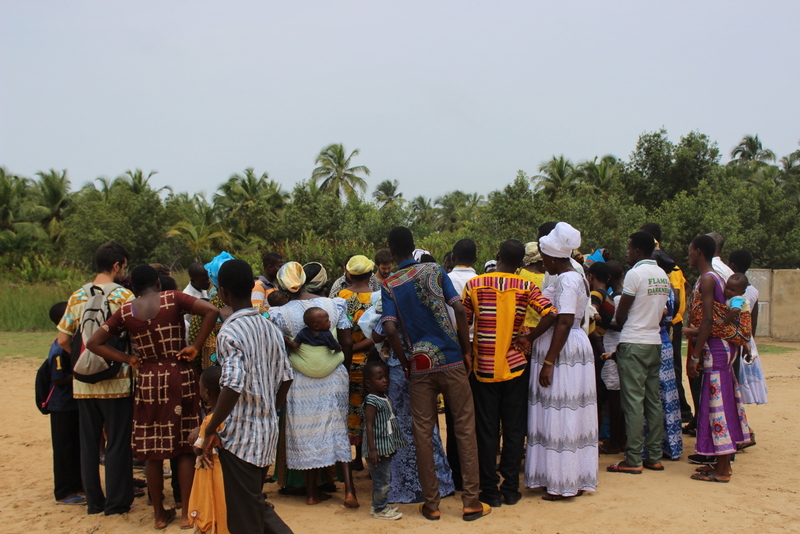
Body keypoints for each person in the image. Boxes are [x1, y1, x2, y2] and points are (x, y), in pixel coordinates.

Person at [88, 264, 220, 529]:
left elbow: (93, 343)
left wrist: (128, 359)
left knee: (153, 451)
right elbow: (212, 311)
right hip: (179, 372)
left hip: (148, 378)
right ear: (158, 284)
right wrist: (194, 346)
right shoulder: (173, 299)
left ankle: (160, 514)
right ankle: (185, 514)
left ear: (133, 289)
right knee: (183, 446)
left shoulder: (126, 311)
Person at [381, 226, 488, 522]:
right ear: (413, 246)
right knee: (465, 428)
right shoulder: (435, 269)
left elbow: (390, 328)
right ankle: (471, 502)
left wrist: (405, 361)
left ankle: (432, 504)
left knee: (423, 433)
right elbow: (461, 311)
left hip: (420, 365)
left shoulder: (390, 283)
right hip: (452, 358)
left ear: (391, 252)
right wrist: (466, 351)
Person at [199, 259, 294, 534]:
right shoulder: (270, 327)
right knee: (253, 502)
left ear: (223, 292)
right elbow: (287, 378)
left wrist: (212, 427)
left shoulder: (229, 331)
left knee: (244, 517)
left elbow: (233, 384)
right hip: (266, 433)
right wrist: (270, 409)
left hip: (240, 438)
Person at [463, 240, 555, 507]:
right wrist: (528, 339)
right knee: (515, 430)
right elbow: (550, 313)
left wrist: (467, 352)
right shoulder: (527, 286)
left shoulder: (475, 285)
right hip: (515, 365)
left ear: (498, 255)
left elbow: (465, 323)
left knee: (487, 430)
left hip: (483, 369)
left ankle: (490, 490)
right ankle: (511, 488)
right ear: (520, 263)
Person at [516, 222, 597, 500]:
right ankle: (551, 475)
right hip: (557, 345)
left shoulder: (569, 279)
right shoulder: (569, 276)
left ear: (553, 257)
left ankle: (564, 481)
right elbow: (550, 315)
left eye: (544, 259)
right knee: (553, 411)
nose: (543, 264)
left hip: (562, 351)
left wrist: (549, 361)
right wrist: (530, 338)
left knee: (561, 412)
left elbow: (563, 321)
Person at [268, 262, 359, 508]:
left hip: (300, 379)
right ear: (306, 280)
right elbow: (347, 342)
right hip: (334, 376)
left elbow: (280, 347)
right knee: (337, 429)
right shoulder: (334, 304)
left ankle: (310, 493)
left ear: (282, 286)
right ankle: (350, 491)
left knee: (305, 432)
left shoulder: (279, 312)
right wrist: (343, 368)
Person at [57, 241, 135, 516]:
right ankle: (117, 502)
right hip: (118, 380)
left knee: (89, 445)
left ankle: (94, 502)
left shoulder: (77, 296)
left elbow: (64, 339)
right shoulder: (124, 297)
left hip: (83, 382)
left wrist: (84, 362)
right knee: (117, 442)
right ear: (116, 266)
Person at [685, 235, 751, 482]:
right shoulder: (717, 277)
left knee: (718, 405)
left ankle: (723, 469)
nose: (688, 254)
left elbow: (708, 320)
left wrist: (694, 354)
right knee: (720, 402)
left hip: (717, 349)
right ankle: (720, 463)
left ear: (699, 251)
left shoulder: (707, 279)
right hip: (722, 348)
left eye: (690, 250)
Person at [607, 231, 670, 475]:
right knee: (653, 400)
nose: (626, 252)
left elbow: (621, 315)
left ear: (637, 251)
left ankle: (633, 459)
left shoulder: (635, 274)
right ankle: (653, 456)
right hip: (654, 342)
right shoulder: (662, 275)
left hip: (633, 342)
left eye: (629, 247)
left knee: (633, 402)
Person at [640, 222, 692, 422]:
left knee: (672, 368)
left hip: (669, 323)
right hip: (666, 321)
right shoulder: (666, 263)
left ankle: (682, 409)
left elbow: (677, 295)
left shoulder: (668, 266)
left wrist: (668, 319)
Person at [443, 238, 479, 490]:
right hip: (481, 350)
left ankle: (455, 474)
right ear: (475, 259)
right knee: (476, 414)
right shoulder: (482, 281)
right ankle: (476, 473)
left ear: (453, 257)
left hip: (452, 350)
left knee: (455, 415)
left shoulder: (444, 280)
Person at [336, 255, 378, 469]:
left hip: (346, 364)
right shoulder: (378, 297)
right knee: (370, 410)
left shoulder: (341, 297)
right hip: (373, 365)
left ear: (349, 274)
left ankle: (353, 460)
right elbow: (380, 335)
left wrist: (349, 348)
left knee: (350, 410)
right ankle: (372, 459)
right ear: (371, 275)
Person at [46, 301, 84, 505]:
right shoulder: (59, 349)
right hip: (61, 406)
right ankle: (63, 491)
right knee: (64, 449)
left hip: (73, 404)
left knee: (76, 446)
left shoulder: (69, 344)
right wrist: (81, 374)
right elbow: (58, 378)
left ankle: (77, 484)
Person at [362, 360, 407, 520]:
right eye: (379, 378)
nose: (385, 380)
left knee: (385, 477)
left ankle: (382, 504)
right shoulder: (372, 401)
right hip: (377, 449)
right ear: (369, 383)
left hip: (385, 446)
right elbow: (368, 426)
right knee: (381, 480)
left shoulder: (385, 398)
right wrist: (372, 449)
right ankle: (379, 509)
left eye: (386, 377)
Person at [189, 366, 229, 534]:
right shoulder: (231, 415)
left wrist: (194, 438)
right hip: (227, 474)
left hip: (210, 475)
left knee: (210, 506)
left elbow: (199, 450)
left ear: (205, 393)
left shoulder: (209, 422)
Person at [727, 249, 768, 413]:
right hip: (746, 339)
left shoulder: (729, 288)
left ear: (732, 265)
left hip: (735, 340)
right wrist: (749, 342)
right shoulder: (753, 291)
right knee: (741, 388)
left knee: (734, 385)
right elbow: (753, 322)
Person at [652, 251, 683, 461]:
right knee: (668, 396)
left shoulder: (658, 288)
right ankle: (672, 445)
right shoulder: (671, 288)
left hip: (657, 342)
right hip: (667, 343)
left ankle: (653, 445)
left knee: (655, 395)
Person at [599, 260, 625, 454]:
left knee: (615, 396)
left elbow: (621, 324)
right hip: (614, 348)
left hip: (613, 348)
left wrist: (602, 320)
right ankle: (617, 437)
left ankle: (616, 440)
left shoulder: (617, 298)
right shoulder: (619, 296)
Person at [183, 262, 211, 337]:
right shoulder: (187, 297)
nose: (208, 282)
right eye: (204, 280)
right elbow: (185, 322)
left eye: (208, 278)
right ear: (193, 280)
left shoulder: (202, 288)